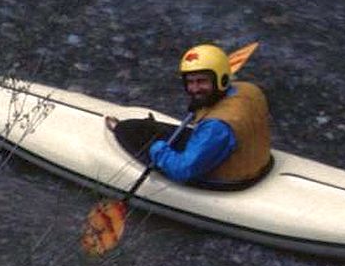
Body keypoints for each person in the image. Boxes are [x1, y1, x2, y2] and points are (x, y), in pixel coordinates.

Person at [107, 43, 272, 190]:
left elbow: (182, 170)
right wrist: (203, 104)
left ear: (221, 79)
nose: (194, 89)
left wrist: (155, 147)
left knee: (131, 133)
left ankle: (118, 128)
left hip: (226, 179)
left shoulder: (216, 127)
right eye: (190, 82)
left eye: (201, 81)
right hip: (256, 162)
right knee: (153, 131)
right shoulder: (248, 90)